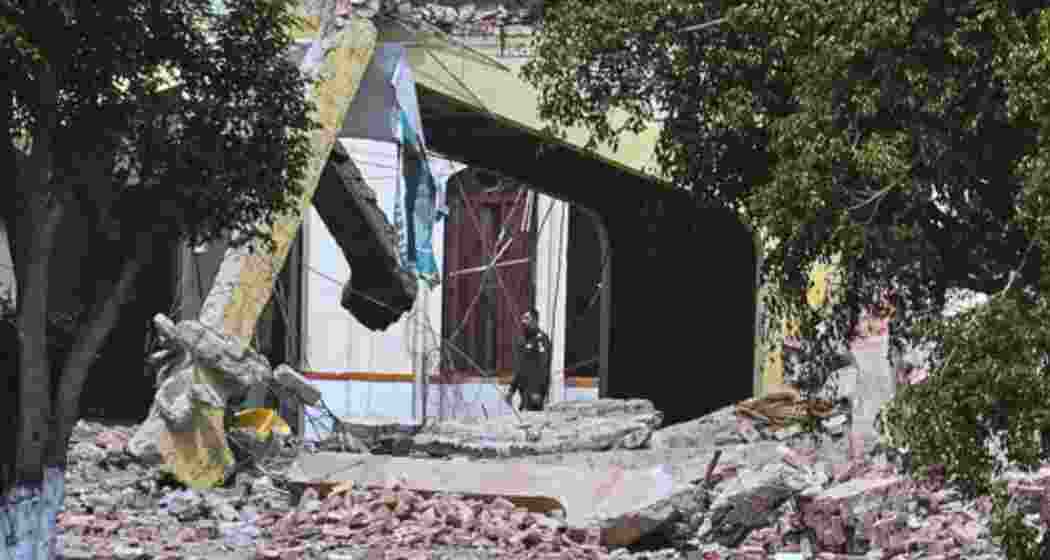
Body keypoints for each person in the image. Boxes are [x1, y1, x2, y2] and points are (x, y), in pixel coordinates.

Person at [505, 308, 552, 411]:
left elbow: (542, 367)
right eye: (522, 318)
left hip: (535, 392)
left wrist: (538, 391)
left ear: (535, 321)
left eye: (526, 318)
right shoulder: (523, 341)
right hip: (524, 392)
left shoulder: (541, 339)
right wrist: (511, 391)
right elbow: (520, 368)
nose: (523, 321)